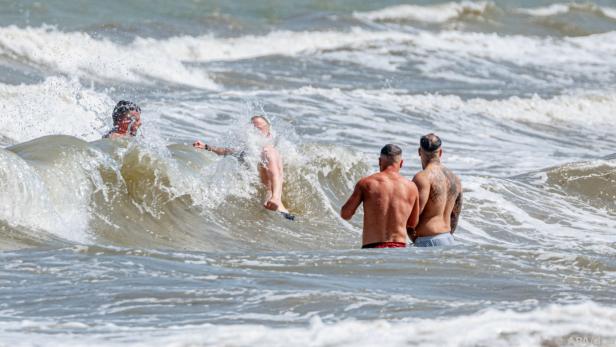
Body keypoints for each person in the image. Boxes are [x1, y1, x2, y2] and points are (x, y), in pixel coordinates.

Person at [193, 115, 294, 220]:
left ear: (268, 134)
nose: (254, 132)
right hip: (268, 207)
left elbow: (276, 174)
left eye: (258, 129)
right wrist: (206, 147)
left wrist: (276, 198)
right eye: (252, 128)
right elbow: (226, 151)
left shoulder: (268, 151)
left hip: (277, 210)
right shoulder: (251, 151)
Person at [341, 144, 420, 249]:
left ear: (379, 161)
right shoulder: (411, 187)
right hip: (399, 248)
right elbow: (412, 223)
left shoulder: (366, 183)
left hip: (372, 247)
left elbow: (345, 214)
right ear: (401, 163)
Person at [411, 134, 462, 247]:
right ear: (440, 152)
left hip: (428, 241)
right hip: (448, 239)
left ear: (419, 151)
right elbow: (455, 215)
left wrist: (414, 239)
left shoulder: (422, 177)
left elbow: (414, 216)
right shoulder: (455, 178)